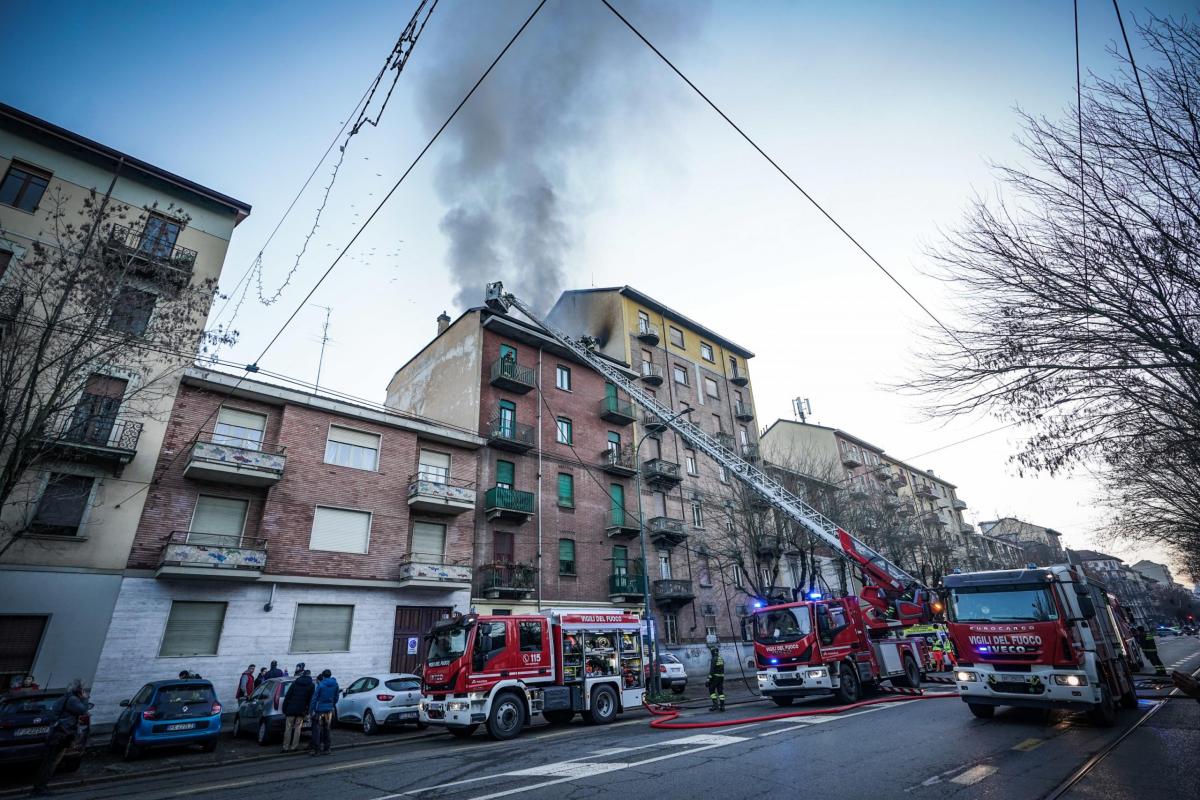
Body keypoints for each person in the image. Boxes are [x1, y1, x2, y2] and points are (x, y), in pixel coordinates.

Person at [30, 679, 89, 796]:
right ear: (79, 689)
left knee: (49, 761)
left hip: (56, 733)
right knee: (52, 762)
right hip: (62, 734)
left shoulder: (62, 698)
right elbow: (83, 710)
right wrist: (84, 698)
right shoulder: (72, 700)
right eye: (82, 688)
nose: (83, 690)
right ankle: (40, 789)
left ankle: (39, 787)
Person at [281, 670, 315, 753]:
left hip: (291, 708)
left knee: (288, 728)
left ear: (302, 675)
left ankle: (285, 747)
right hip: (301, 709)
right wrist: (307, 711)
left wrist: (284, 709)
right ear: (309, 675)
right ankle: (294, 747)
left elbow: (288, 696)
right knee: (297, 728)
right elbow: (310, 699)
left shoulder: (295, 683)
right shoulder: (311, 685)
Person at [308, 669, 339, 756]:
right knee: (327, 729)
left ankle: (316, 749)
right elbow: (336, 696)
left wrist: (311, 710)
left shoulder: (321, 685)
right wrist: (332, 704)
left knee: (317, 729)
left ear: (324, 676)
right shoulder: (335, 684)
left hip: (320, 709)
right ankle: (327, 748)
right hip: (329, 709)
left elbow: (314, 698)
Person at [707, 645, 725, 712]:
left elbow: (711, 670)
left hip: (715, 677)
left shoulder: (714, 659)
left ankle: (715, 705)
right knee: (720, 691)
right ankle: (722, 706)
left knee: (711, 690)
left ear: (712, 652)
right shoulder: (721, 658)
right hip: (721, 677)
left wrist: (708, 679)